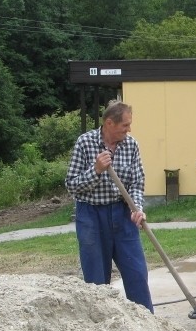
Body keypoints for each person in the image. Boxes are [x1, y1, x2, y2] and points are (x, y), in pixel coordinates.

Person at [65, 100, 154, 312]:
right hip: (91, 216)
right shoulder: (85, 143)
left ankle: (146, 322)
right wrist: (95, 170)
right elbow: (71, 185)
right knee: (96, 279)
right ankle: (101, 322)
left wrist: (136, 208)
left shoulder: (131, 145)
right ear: (109, 123)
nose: (129, 129)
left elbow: (137, 183)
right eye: (125, 125)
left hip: (123, 214)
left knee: (137, 273)